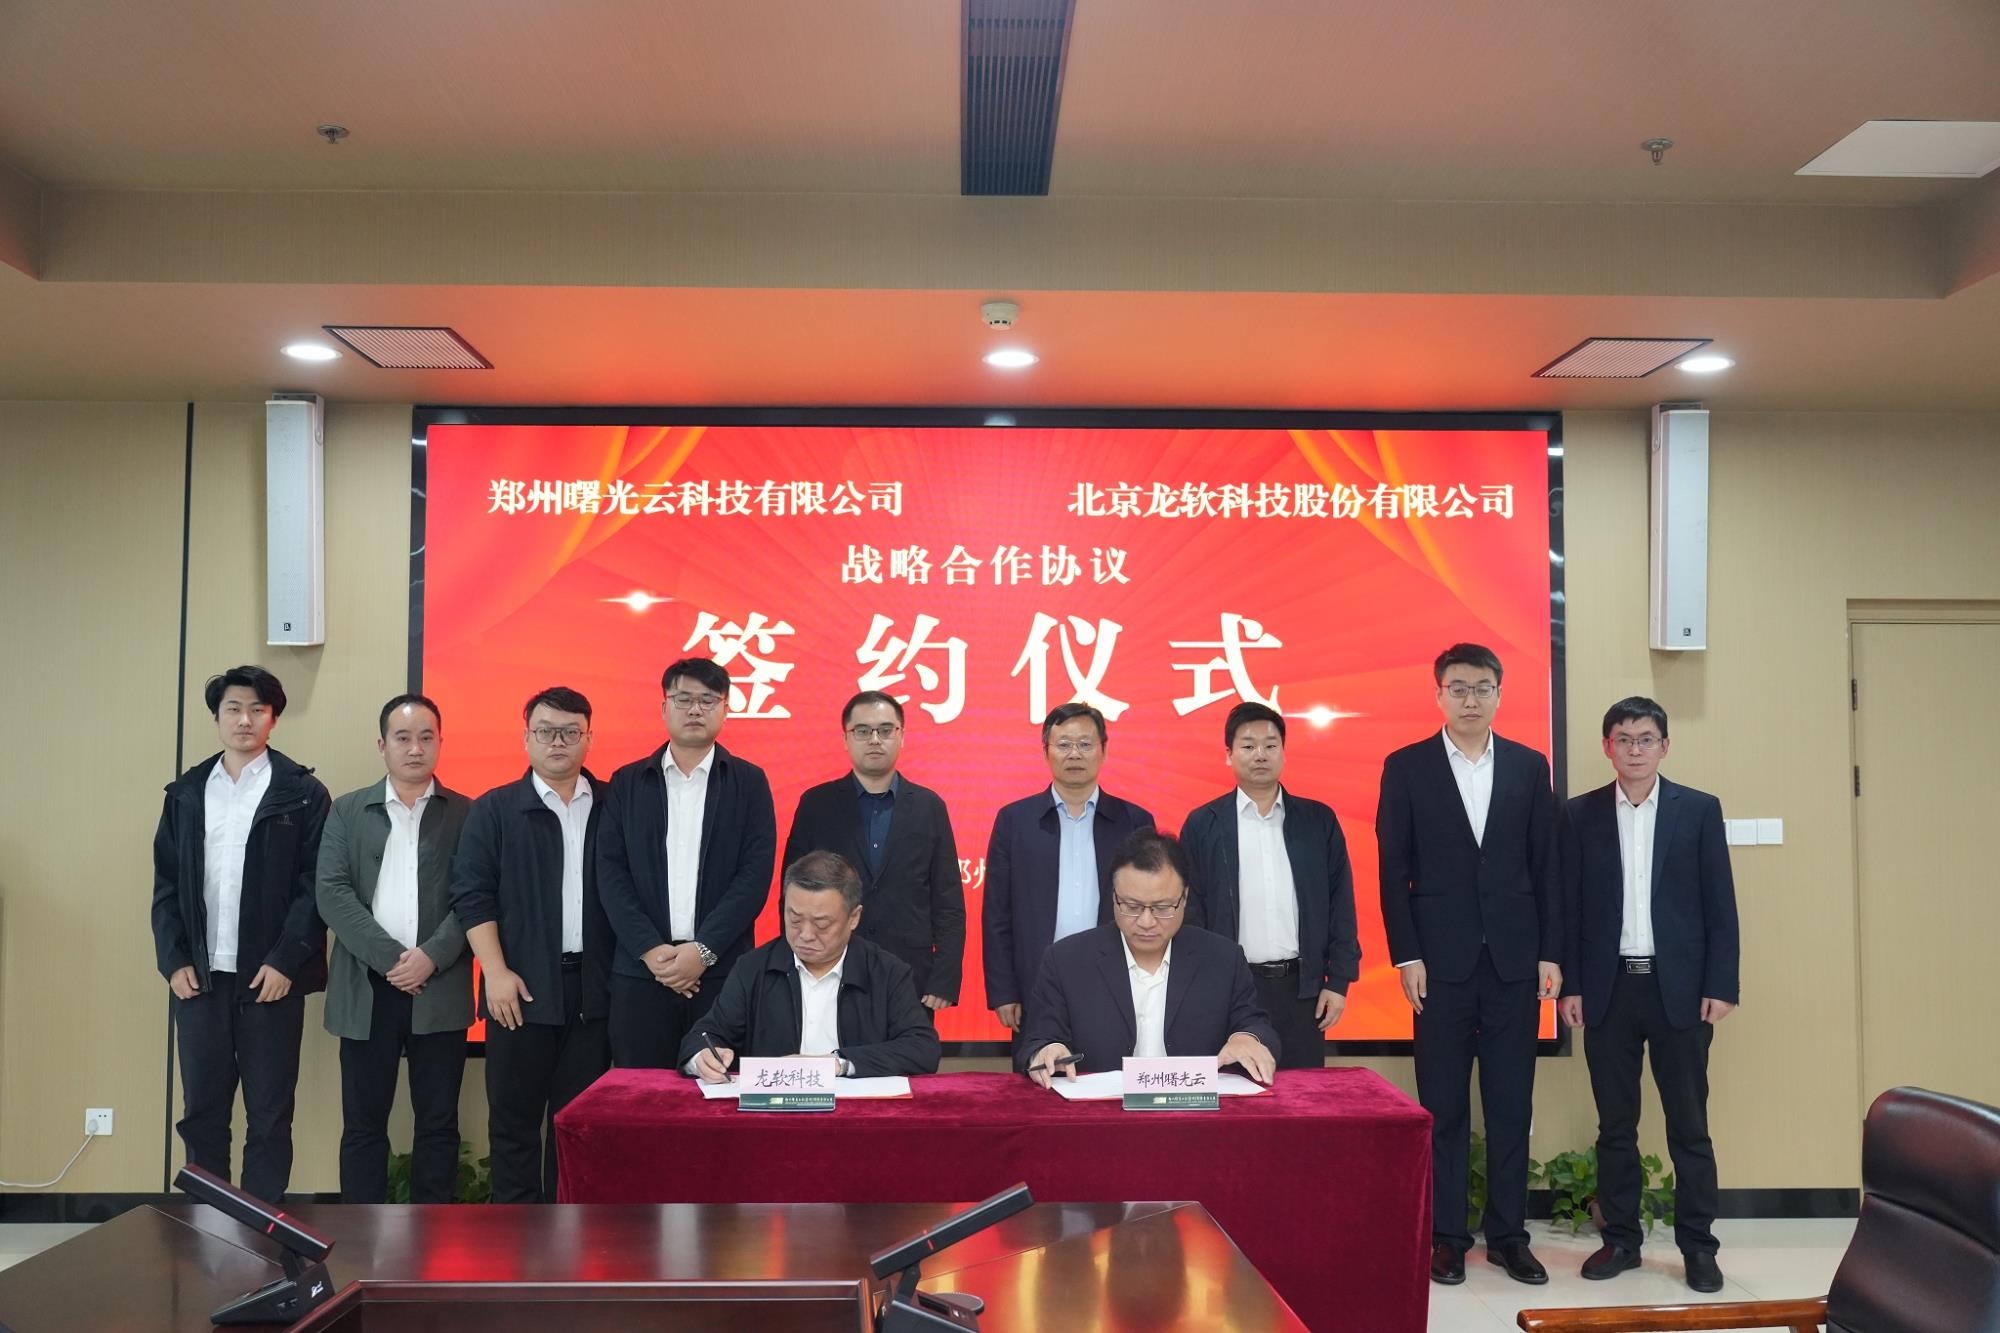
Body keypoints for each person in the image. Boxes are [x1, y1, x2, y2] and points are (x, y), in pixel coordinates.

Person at [1377, 643, 1561, 1287]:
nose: (1470, 699)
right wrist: (1407, 954)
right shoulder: (1406, 766)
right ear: (1439, 695)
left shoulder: (1529, 766)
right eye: (1458, 688)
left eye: (1482, 688)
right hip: (1439, 965)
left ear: (1500, 694)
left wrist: (1550, 951)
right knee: (1444, 1107)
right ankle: (1448, 1237)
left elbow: (1546, 865)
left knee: (1510, 1105)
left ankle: (1509, 1236)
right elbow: (1393, 868)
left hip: (1514, 963)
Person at [1562, 697, 1739, 1293]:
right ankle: (1621, 1241)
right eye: (1623, 739)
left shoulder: (1699, 810)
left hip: (1681, 992)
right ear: (1607, 747)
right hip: (1608, 989)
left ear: (1665, 746)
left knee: (1689, 1126)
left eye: (1645, 739)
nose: (1634, 749)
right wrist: (1572, 985)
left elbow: (1720, 904)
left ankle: (1698, 1247)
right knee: (1616, 1126)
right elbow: (1570, 907)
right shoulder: (1580, 814)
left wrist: (1721, 984)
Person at [150, 665, 330, 1203]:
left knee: (270, 1113)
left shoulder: (302, 792)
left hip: (269, 979)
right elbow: (166, 884)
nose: (245, 719)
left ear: (273, 718)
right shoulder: (186, 793)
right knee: (202, 1110)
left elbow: (314, 887)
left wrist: (285, 960)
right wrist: (174, 959)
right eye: (233, 708)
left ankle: (261, 1227)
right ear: (217, 718)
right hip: (200, 979)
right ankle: (207, 1222)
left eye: (257, 709)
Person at [451, 685, 612, 1203]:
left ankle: (572, 1232)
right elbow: (473, 897)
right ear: (526, 739)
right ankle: (516, 1235)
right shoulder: (494, 809)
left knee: (579, 1126)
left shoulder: (614, 805)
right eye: (546, 731)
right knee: (514, 1123)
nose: (557, 742)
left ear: (589, 738)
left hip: (594, 993)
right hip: (517, 989)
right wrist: (495, 973)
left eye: (570, 732)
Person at [314, 694, 472, 1204]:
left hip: (439, 987)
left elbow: (476, 896)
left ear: (440, 743)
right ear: (382, 746)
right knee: (363, 1125)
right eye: (403, 738)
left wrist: (431, 956)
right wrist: (392, 960)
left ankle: (433, 1236)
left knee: (439, 1124)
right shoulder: (347, 810)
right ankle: (360, 1234)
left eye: (426, 737)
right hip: (366, 989)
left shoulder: (467, 813)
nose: (415, 748)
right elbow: (331, 893)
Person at [596, 656, 777, 1068]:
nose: (695, 709)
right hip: (642, 974)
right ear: (664, 708)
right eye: (683, 699)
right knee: (640, 1093)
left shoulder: (749, 782)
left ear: (725, 709)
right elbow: (610, 872)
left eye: (707, 700)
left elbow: (754, 876)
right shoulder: (628, 782)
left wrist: (704, 951)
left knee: (721, 1089)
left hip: (722, 975)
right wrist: (648, 949)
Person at [1020, 829, 1278, 1085]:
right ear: (1114, 897)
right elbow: (1038, 1039)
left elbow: (1254, 1024)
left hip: (1192, 1106)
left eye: (1162, 908)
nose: (1146, 922)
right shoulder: (1066, 960)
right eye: (1131, 906)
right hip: (1101, 1107)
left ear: (1184, 898)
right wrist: (1047, 1049)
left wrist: (1246, 1038)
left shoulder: (1223, 958)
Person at [1181, 701, 1360, 1068]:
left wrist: (1338, 981)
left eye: (1270, 745)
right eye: (1248, 746)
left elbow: (1340, 903)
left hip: (1302, 991)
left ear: (1283, 751)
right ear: (1229, 754)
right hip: (1230, 988)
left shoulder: (1317, 820)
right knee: (1235, 1091)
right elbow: (1191, 911)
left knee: (1301, 1094)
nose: (1260, 754)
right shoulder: (1203, 824)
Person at [782, 690, 964, 1016]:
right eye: (863, 731)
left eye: (885, 730)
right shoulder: (816, 804)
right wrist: (794, 962)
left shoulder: (929, 807)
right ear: (846, 738)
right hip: (829, 965)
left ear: (902, 736)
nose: (875, 740)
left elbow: (947, 899)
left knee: (907, 1048)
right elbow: (791, 891)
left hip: (910, 972)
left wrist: (944, 977)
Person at [681, 851, 940, 1078]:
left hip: (857, 1111)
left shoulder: (886, 972)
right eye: (794, 919)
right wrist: (702, 1057)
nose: (805, 935)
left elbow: (922, 1048)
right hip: (775, 1111)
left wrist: (839, 1064)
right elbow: (703, 1036)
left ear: (854, 917)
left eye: (821, 924)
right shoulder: (753, 968)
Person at [983, 703, 1154, 1044]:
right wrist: (1004, 990)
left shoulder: (1134, 821)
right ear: (1046, 751)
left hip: (1119, 977)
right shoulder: (1015, 821)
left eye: (1085, 744)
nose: (1074, 753)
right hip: (1037, 980)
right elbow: (997, 913)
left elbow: (1150, 906)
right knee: (1040, 1071)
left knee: (1111, 1071)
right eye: (1063, 744)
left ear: (1103, 750)